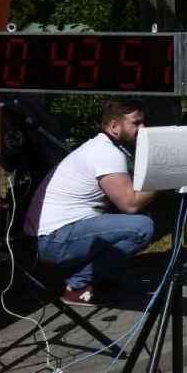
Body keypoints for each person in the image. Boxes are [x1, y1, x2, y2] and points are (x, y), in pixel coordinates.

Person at [30, 97, 156, 306]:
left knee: (139, 220)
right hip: (53, 241)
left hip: (52, 236)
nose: (143, 128)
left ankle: (87, 275)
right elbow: (130, 203)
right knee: (142, 226)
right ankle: (77, 286)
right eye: (136, 123)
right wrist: (161, 178)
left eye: (143, 122)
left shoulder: (102, 147)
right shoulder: (106, 152)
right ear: (115, 126)